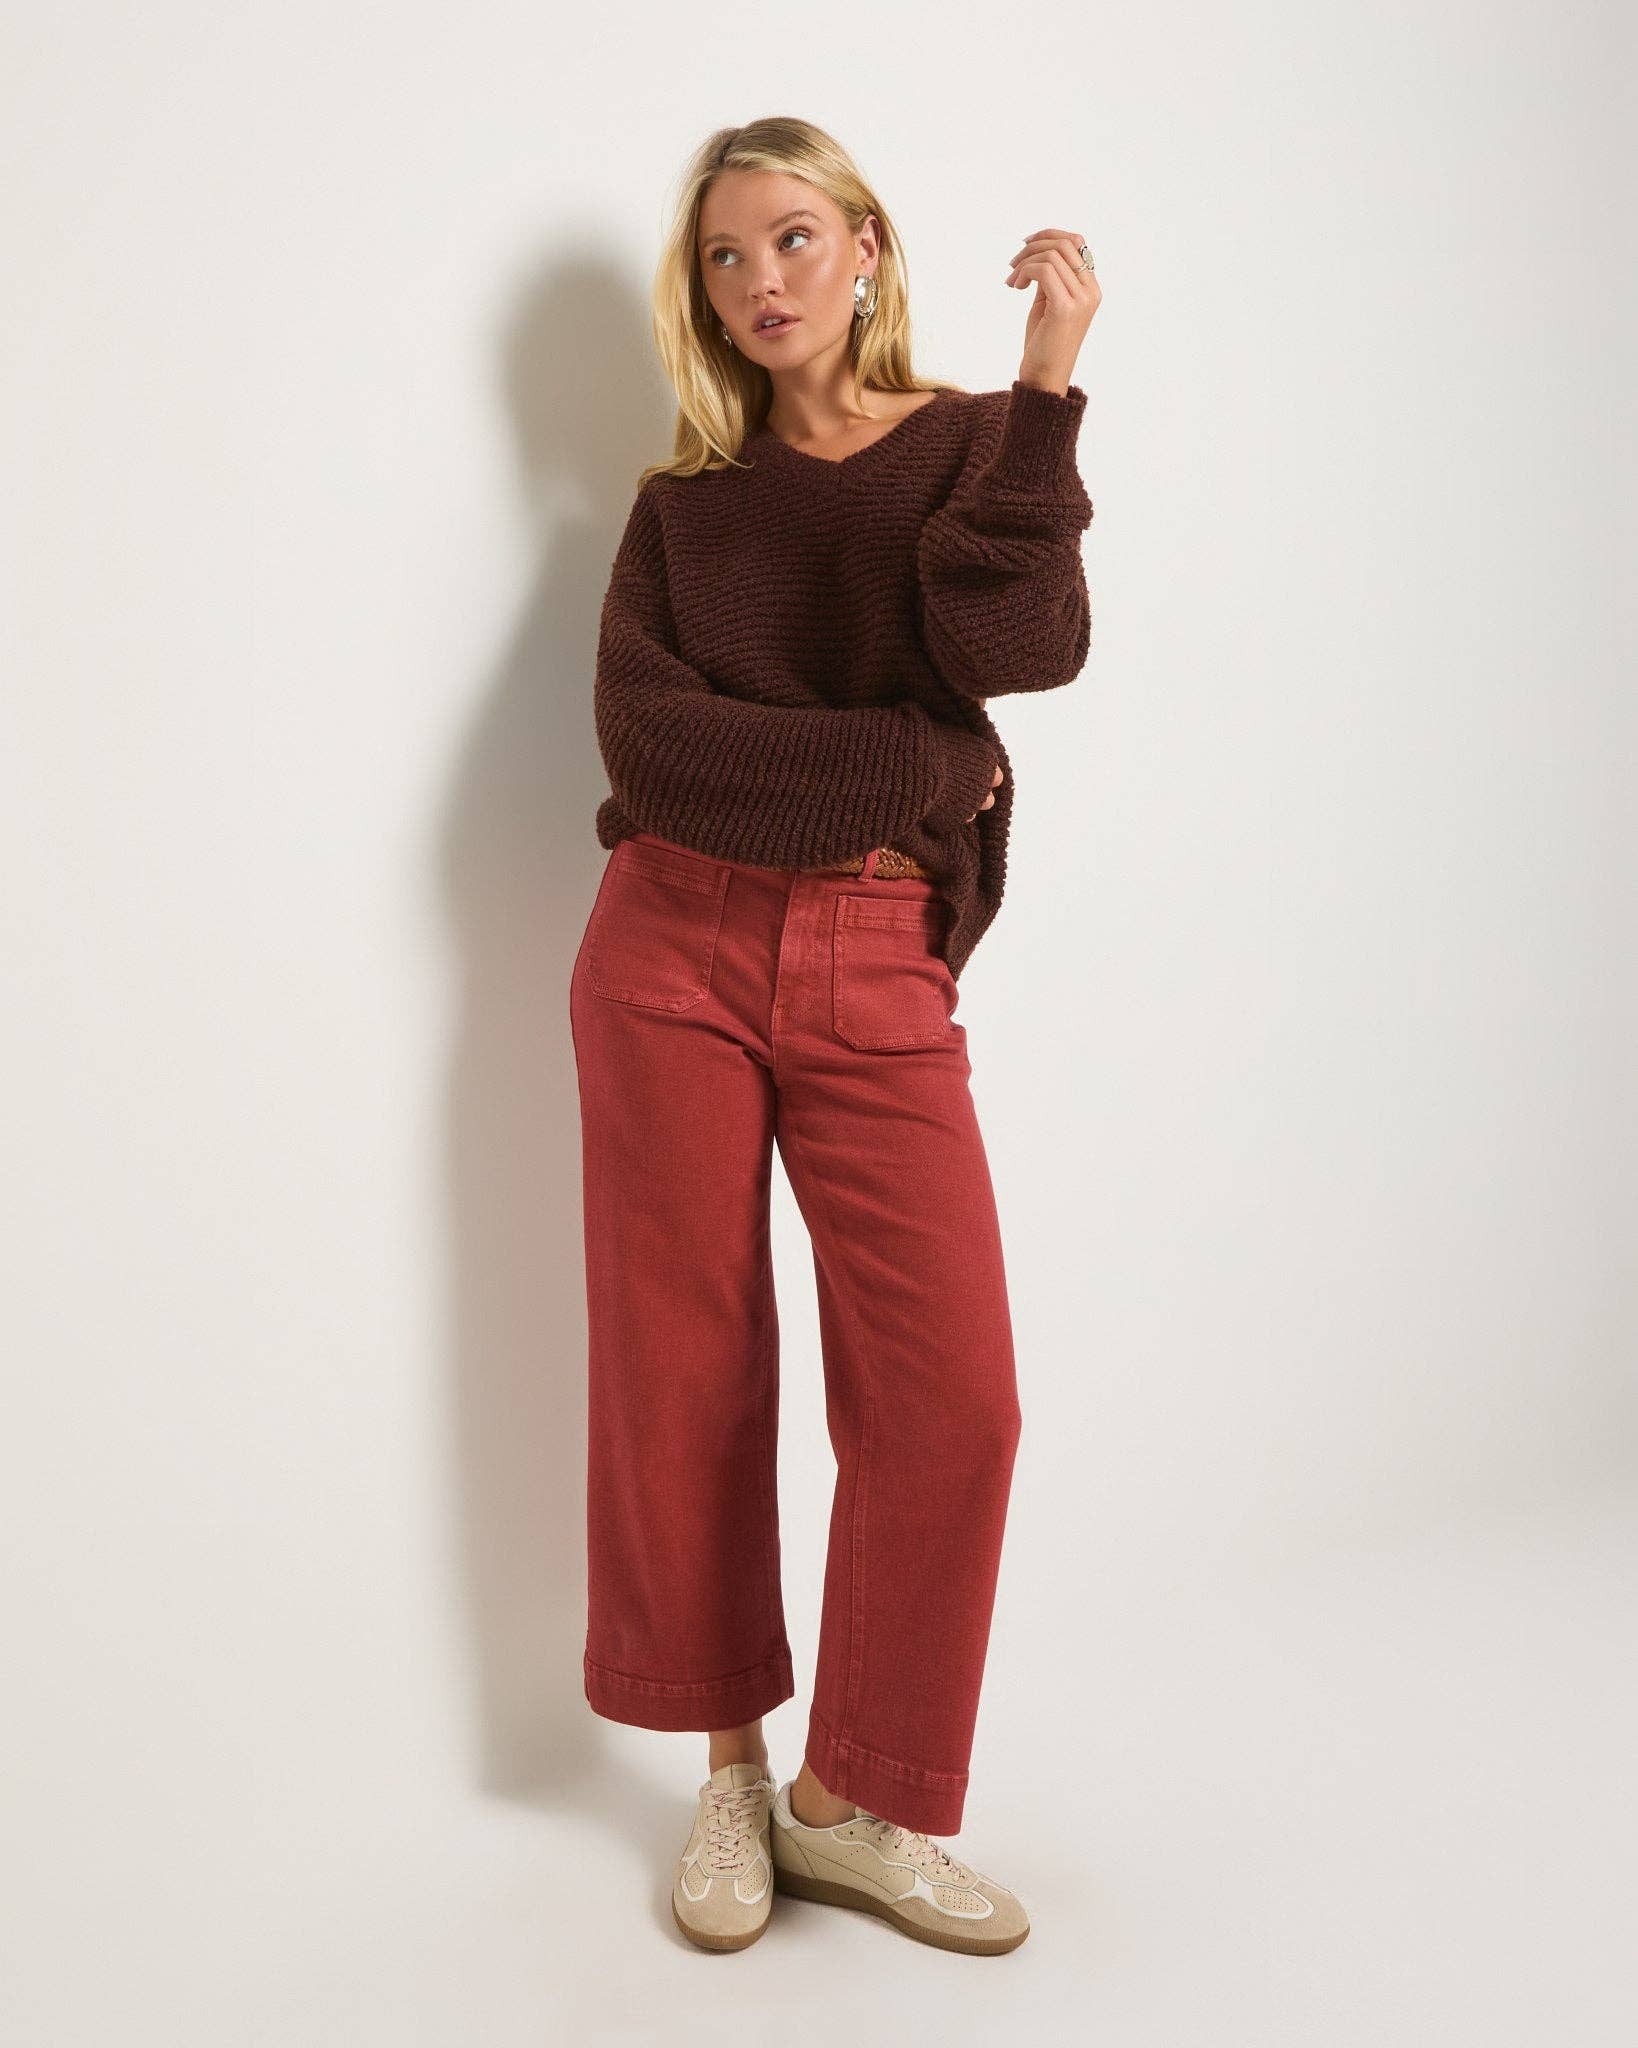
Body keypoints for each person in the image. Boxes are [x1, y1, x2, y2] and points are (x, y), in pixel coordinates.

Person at [568, 114, 1100, 1956]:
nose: (761, 280)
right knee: (686, 1369)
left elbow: (1023, 647)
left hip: (875, 958)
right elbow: (658, 750)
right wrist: (918, 761)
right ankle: (726, 1770)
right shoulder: (684, 509)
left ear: (865, 247)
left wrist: (1046, 394)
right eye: (725, 256)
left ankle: (846, 1802)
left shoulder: (969, 447)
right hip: (665, 949)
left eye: (792, 237)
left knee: (953, 1396)